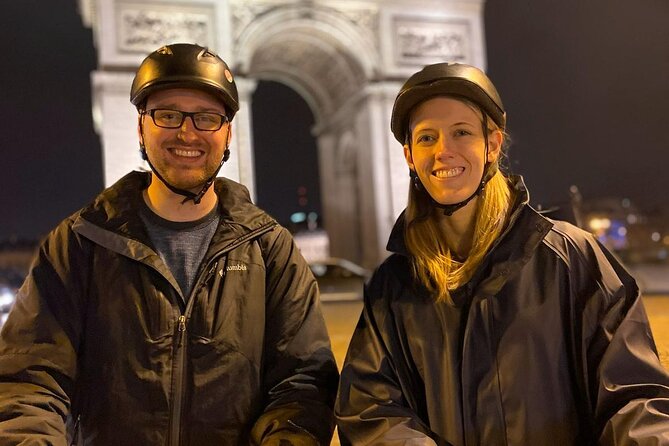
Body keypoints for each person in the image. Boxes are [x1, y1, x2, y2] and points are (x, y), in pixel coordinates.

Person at [0, 43, 338, 445]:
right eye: (168, 114)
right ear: (141, 126)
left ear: (229, 131)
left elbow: (302, 385)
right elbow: (30, 381)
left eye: (207, 118)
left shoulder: (271, 249)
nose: (187, 132)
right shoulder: (77, 244)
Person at [335, 62, 669, 445]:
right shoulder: (390, 287)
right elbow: (371, 411)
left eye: (461, 132)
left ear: (492, 143)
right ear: (410, 155)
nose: (444, 151)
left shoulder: (574, 258)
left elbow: (635, 397)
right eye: (427, 138)